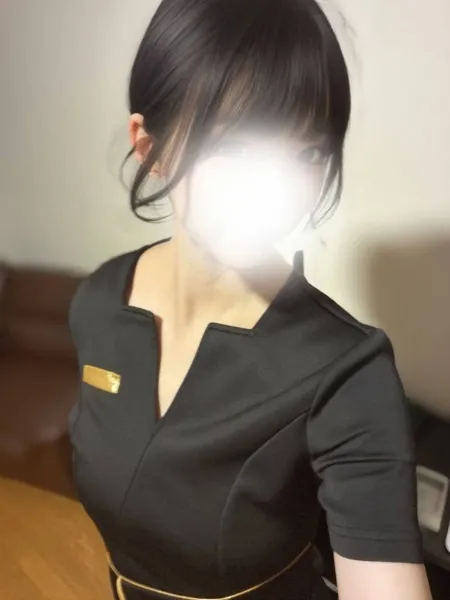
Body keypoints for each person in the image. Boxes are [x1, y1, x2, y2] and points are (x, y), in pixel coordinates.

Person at [68, 1, 433, 599]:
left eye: (308, 153)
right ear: (150, 147)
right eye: (234, 147)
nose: (281, 191)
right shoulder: (100, 300)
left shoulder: (349, 372)